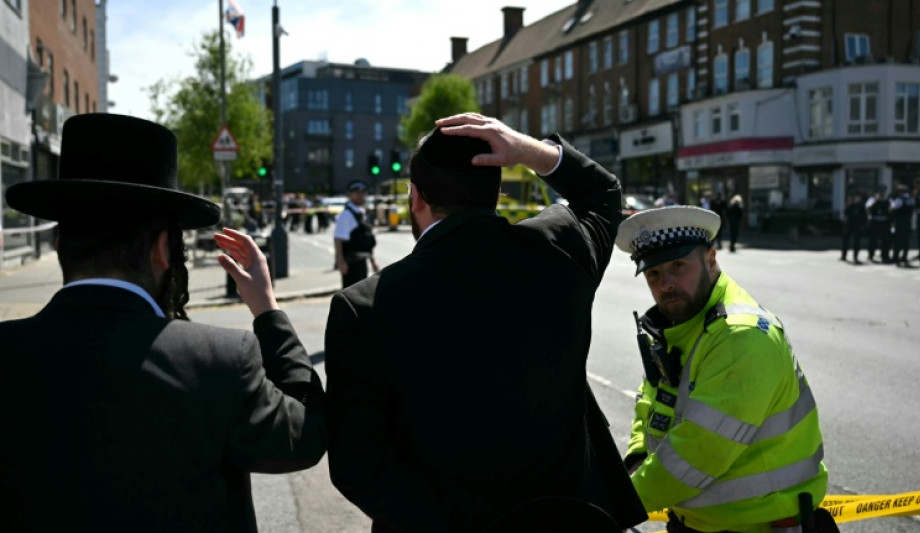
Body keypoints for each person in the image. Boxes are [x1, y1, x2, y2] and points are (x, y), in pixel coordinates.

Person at [0, 114, 327, 532]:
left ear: (60, 244)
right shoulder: (220, 362)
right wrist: (268, 312)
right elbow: (308, 435)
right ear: (163, 250)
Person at [324, 113, 646, 532]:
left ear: (415, 198)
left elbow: (357, 466)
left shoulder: (364, 306)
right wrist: (528, 150)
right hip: (565, 519)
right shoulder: (559, 247)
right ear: (495, 190)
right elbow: (603, 192)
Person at [614, 205, 834, 533]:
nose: (666, 284)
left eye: (678, 266)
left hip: (758, 527)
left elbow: (694, 458)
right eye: (654, 274)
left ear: (711, 260)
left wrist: (610, 506)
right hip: (699, 522)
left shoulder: (739, 337)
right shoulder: (682, 320)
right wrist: (636, 457)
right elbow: (653, 395)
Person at [333, 180, 379, 287]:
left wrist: (373, 261)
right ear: (350, 195)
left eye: (362, 193)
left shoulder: (362, 213)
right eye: (356, 193)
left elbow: (366, 240)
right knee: (351, 295)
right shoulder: (346, 215)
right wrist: (340, 261)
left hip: (362, 262)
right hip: (351, 263)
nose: (360, 196)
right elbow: (338, 239)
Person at [890, 182, 914, 267]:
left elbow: (892, 209)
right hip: (908, 223)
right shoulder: (911, 200)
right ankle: (904, 256)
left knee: (898, 240)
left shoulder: (899, 200)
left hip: (899, 222)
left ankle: (896, 257)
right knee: (906, 241)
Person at [865, 187, 892, 263]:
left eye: (882, 193)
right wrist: (876, 201)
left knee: (885, 240)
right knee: (873, 240)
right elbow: (868, 208)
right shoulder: (872, 200)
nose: (881, 194)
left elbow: (891, 209)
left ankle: (885, 255)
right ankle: (871, 255)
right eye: (880, 193)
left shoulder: (888, 200)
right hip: (875, 222)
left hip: (884, 222)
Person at [840, 193, 868, 264]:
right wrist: (849, 205)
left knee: (857, 242)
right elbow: (845, 213)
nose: (856, 199)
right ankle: (843, 255)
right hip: (849, 225)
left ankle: (855, 257)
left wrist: (863, 225)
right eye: (855, 198)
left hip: (857, 225)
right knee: (845, 240)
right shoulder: (850, 205)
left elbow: (864, 216)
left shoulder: (861, 206)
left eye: (857, 198)